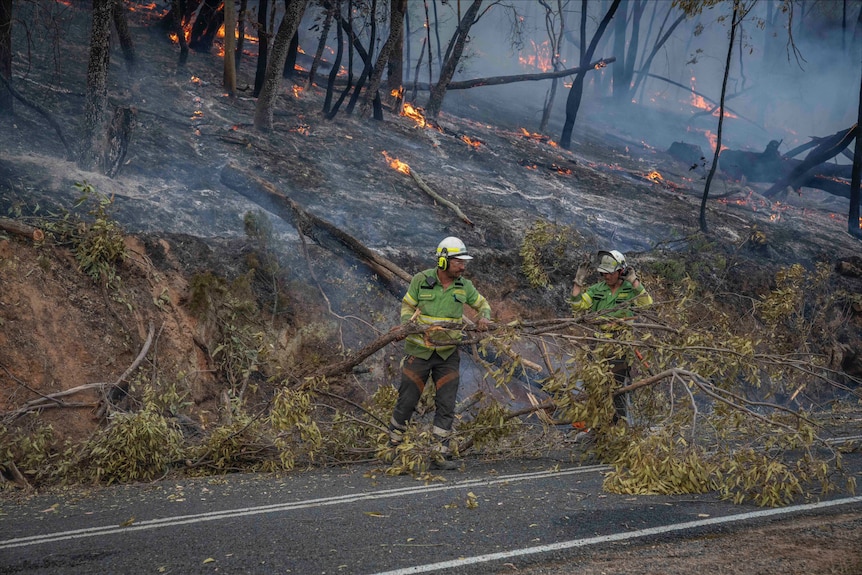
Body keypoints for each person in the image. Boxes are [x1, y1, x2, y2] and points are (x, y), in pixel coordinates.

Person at [387, 236, 492, 470]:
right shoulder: (421, 280)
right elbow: (407, 305)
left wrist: (484, 317)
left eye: (464, 262)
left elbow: (482, 304)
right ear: (443, 261)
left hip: (447, 356)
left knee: (446, 404)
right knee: (407, 401)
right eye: (458, 262)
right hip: (419, 352)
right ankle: (392, 448)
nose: (463, 267)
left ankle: (439, 453)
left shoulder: (464, 286)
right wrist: (407, 325)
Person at [570, 249, 653, 424]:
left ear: (621, 271)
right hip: (598, 343)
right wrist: (578, 282)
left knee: (617, 389)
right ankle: (595, 426)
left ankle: (619, 427)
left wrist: (635, 281)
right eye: (603, 273)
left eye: (609, 273)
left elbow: (647, 304)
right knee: (593, 384)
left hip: (620, 346)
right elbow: (577, 305)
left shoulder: (630, 289)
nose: (606, 276)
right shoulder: (596, 289)